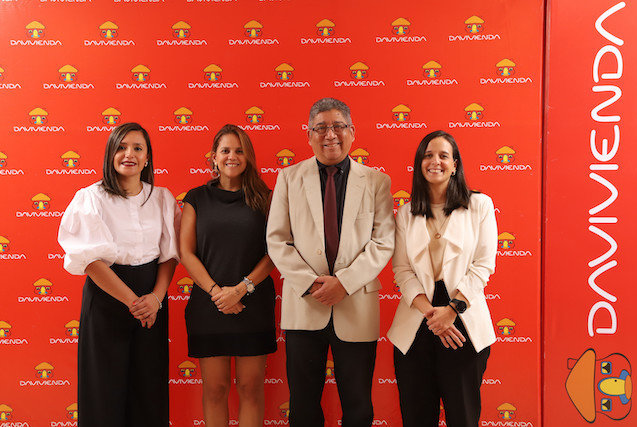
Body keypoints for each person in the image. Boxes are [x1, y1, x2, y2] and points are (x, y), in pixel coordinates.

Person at [267, 97, 395, 427]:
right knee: (304, 407)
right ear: (309, 135)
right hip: (304, 307)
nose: (330, 135)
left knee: (358, 406)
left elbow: (383, 242)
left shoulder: (377, 182)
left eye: (338, 126)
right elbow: (277, 239)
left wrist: (345, 283)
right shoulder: (288, 178)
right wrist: (311, 283)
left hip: (356, 306)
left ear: (352, 132)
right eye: (321, 128)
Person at [58, 122, 180, 427]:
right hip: (107, 301)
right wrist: (133, 301)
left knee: (148, 391)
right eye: (122, 147)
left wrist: (154, 298)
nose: (129, 154)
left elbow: (169, 256)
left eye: (138, 148)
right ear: (110, 153)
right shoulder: (91, 198)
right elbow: (90, 260)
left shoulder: (162, 198)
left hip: (152, 305)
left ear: (148, 158)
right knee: (104, 391)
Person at [387, 130, 498, 427]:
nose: (435, 161)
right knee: (416, 416)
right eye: (427, 155)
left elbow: (483, 265)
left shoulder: (480, 206)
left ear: (455, 164)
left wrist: (450, 312)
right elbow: (402, 270)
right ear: (419, 164)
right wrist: (432, 315)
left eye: (443, 155)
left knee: (462, 416)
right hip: (416, 323)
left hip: (463, 323)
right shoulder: (405, 213)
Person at [180, 124, 276, 427]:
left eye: (239, 150)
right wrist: (218, 293)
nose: (232, 156)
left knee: (250, 388)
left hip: (253, 303)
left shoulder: (266, 196)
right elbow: (186, 252)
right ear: (213, 157)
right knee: (215, 389)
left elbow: (275, 252)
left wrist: (241, 289)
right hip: (209, 306)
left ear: (248, 156)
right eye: (225, 150)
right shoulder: (196, 197)